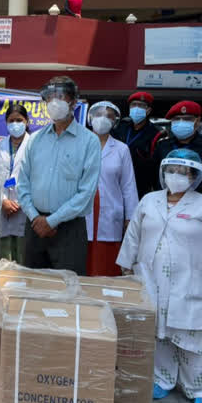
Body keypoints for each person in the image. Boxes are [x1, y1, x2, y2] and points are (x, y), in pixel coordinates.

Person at [117, 149, 202, 403]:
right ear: (163, 172)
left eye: (183, 172)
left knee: (194, 339)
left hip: (191, 284)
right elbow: (133, 235)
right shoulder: (149, 201)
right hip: (150, 280)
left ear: (194, 176)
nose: (176, 176)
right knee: (159, 335)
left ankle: (201, 388)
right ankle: (162, 379)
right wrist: (126, 266)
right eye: (172, 170)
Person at [17, 76, 101, 275]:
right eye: (50, 97)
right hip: (34, 226)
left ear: (72, 101)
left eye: (60, 96)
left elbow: (86, 193)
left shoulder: (89, 141)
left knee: (68, 291)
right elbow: (23, 184)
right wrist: (36, 217)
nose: (54, 102)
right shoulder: (35, 139)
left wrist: (52, 221)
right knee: (31, 288)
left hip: (68, 229)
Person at [85, 101, 138, 276]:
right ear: (90, 118)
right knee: (82, 265)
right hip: (82, 212)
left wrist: (131, 218)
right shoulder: (80, 145)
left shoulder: (122, 149)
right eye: (99, 114)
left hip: (110, 214)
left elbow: (128, 186)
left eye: (109, 116)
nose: (103, 119)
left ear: (115, 122)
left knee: (105, 268)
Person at [0, 103, 31, 264]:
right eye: (11, 120)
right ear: (6, 123)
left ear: (26, 121)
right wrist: (3, 201)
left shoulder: (34, 144)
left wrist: (19, 202)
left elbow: (38, 176)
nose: (15, 124)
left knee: (23, 258)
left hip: (26, 208)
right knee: (3, 260)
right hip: (2, 208)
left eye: (19, 120)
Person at [111, 91, 164, 198]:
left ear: (148, 110)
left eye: (141, 106)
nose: (136, 108)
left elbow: (155, 166)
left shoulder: (155, 134)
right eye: (133, 105)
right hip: (115, 181)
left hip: (139, 186)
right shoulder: (121, 127)